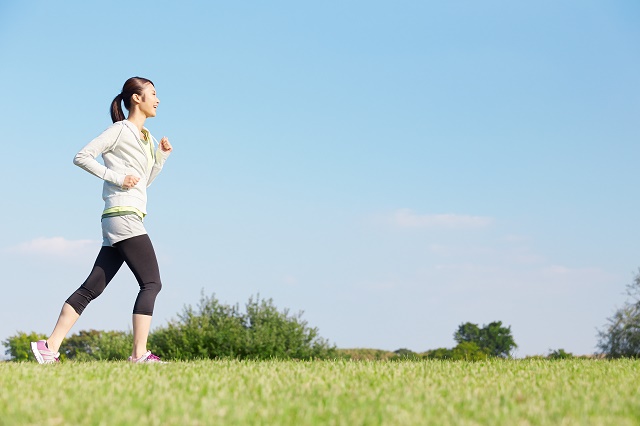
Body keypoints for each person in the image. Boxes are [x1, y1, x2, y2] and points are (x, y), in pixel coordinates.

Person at [30, 77, 173, 364]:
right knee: (151, 283)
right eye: (153, 94)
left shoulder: (148, 139)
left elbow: (142, 183)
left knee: (92, 287)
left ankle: (49, 347)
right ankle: (139, 354)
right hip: (123, 215)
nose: (158, 100)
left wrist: (160, 158)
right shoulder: (120, 130)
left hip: (122, 216)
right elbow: (82, 157)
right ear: (136, 98)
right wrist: (117, 177)